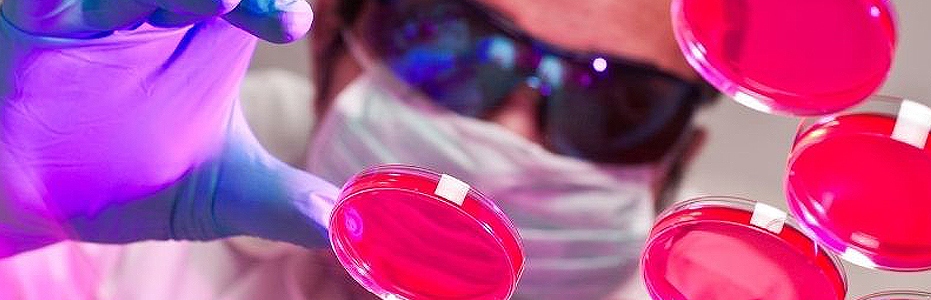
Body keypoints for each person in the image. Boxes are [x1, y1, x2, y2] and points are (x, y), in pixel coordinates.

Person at [0, 0, 716, 298]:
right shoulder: (118, 208)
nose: (510, 137)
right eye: (450, 47)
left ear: (677, 157)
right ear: (331, 41)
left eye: (617, 105)